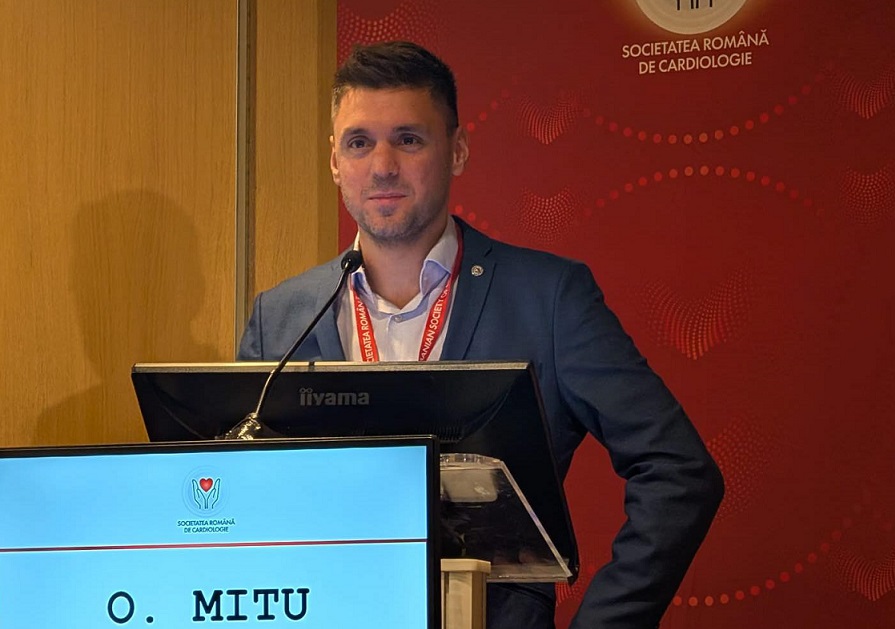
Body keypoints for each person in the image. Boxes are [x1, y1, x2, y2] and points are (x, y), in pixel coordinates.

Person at [238, 40, 723, 629]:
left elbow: (680, 472)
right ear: (335, 161)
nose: (382, 165)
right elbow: (245, 508)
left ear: (458, 150)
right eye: (359, 142)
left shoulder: (550, 298)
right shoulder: (280, 318)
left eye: (408, 139)